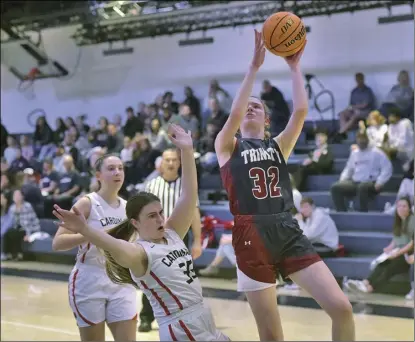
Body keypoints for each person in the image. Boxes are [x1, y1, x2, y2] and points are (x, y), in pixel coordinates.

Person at [214, 29, 355, 341]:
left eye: (257, 105)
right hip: (250, 233)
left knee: (342, 308)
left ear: (266, 120)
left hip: (287, 229)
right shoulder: (226, 146)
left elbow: (301, 111)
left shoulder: (279, 146)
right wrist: (253, 68)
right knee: (272, 336)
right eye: (245, 105)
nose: (249, 107)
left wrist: (294, 67)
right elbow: (235, 111)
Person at [52, 124, 229, 342]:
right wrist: (85, 230)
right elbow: (108, 244)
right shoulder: (137, 249)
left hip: (194, 311)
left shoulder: (166, 230)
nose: (160, 219)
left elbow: (189, 196)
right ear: (136, 223)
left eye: (161, 213)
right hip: (97, 280)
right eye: (152, 216)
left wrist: (187, 150)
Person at [51, 154, 137, 341]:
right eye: (111, 168)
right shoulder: (87, 203)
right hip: (90, 278)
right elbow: (57, 243)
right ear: (98, 175)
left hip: (121, 279)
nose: (117, 172)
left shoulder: (129, 208)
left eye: (121, 168)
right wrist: (93, 234)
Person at [138, 147, 202, 333]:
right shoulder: (151, 185)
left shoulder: (187, 186)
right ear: (161, 164)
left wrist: (197, 240)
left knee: (182, 281)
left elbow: (195, 213)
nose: (171, 163)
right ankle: (146, 317)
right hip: (153, 239)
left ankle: (184, 319)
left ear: (180, 163)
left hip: (180, 240)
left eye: (174, 159)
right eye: (168, 160)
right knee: (152, 278)